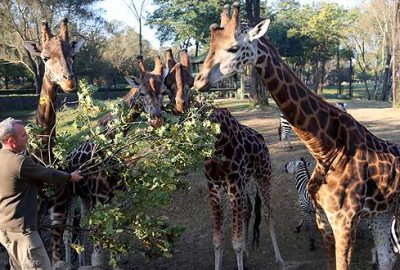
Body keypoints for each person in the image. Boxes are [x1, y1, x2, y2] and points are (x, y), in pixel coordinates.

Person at [0, 117, 83, 270]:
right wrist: (70, 177)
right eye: (24, 135)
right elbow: (48, 174)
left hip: (4, 229)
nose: (28, 137)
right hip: (23, 233)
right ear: (11, 141)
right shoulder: (19, 162)